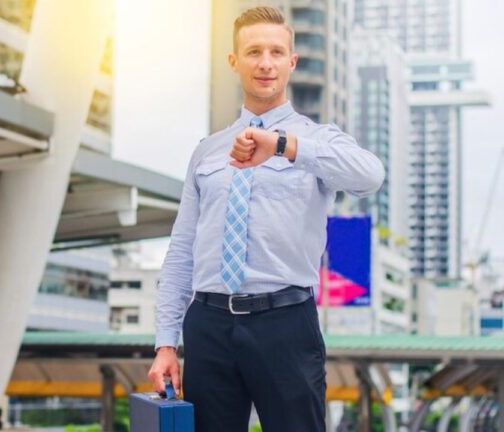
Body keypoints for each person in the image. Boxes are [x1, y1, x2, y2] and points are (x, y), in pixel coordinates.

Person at [147, 6, 385, 431]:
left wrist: (281, 145)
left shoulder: (315, 139)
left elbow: (370, 175)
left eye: (276, 52)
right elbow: (182, 250)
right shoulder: (207, 151)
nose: (265, 62)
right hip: (209, 324)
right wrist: (166, 342)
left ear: (292, 62)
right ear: (234, 62)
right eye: (253, 51)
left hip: (286, 324)